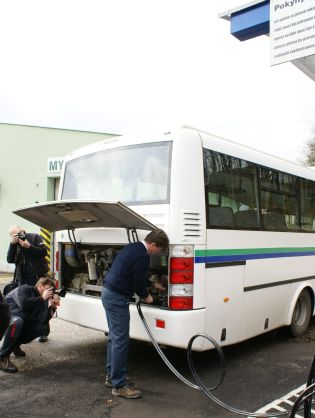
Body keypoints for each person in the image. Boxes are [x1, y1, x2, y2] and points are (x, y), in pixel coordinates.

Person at [101, 228, 169, 399]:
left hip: (108, 293)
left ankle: (112, 376)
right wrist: (148, 297)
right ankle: (119, 386)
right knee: (121, 340)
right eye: (158, 250)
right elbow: (137, 282)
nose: (157, 253)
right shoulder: (143, 255)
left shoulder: (132, 247)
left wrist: (153, 285)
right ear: (153, 244)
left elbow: (133, 274)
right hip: (117, 298)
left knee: (114, 337)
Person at [0, 277, 59, 373]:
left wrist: (52, 307)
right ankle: (3, 357)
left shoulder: (42, 299)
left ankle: (14, 344)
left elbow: (42, 320)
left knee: (42, 328)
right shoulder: (25, 289)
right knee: (17, 322)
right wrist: (42, 298)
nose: (50, 292)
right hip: (7, 317)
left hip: (21, 319)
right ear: (40, 286)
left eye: (51, 290)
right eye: (48, 289)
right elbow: (24, 304)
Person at [7, 225, 49, 343]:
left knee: (42, 303)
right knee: (26, 305)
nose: (19, 235)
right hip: (23, 278)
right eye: (15, 235)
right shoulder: (15, 245)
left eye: (19, 233)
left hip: (37, 277)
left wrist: (29, 246)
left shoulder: (34, 237)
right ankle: (26, 330)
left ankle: (44, 332)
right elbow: (10, 259)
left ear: (23, 230)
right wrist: (12, 244)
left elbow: (43, 252)